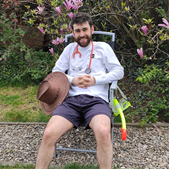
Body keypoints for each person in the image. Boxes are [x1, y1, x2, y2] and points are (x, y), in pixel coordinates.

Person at [35, 12, 124, 169]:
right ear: (73, 32)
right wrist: (72, 80)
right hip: (71, 101)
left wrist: (96, 80)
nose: (81, 34)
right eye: (77, 31)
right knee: (48, 134)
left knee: (104, 132)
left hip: (97, 101)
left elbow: (119, 71)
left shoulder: (103, 48)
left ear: (92, 29)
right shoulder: (70, 49)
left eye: (85, 29)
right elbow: (56, 73)